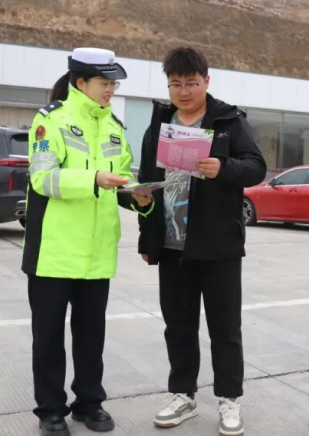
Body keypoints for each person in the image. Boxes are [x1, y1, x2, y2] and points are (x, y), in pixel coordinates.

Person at [135, 47, 266, 436]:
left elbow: (256, 168)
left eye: (191, 83)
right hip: (172, 245)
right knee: (178, 326)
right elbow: (146, 180)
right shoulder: (160, 123)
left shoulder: (229, 121)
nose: (184, 91)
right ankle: (183, 395)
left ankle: (229, 399)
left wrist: (223, 168)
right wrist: (144, 223)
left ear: (207, 81)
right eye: (175, 84)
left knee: (225, 328)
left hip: (218, 245)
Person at [23, 48, 151, 436]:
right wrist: (93, 179)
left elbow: (122, 177)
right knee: (48, 337)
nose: (110, 90)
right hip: (54, 251)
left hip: (97, 251)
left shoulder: (114, 126)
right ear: (80, 82)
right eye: (104, 82)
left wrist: (138, 197)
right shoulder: (50, 121)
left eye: (114, 84)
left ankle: (89, 403)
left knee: (91, 337)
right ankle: (50, 410)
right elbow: (43, 179)